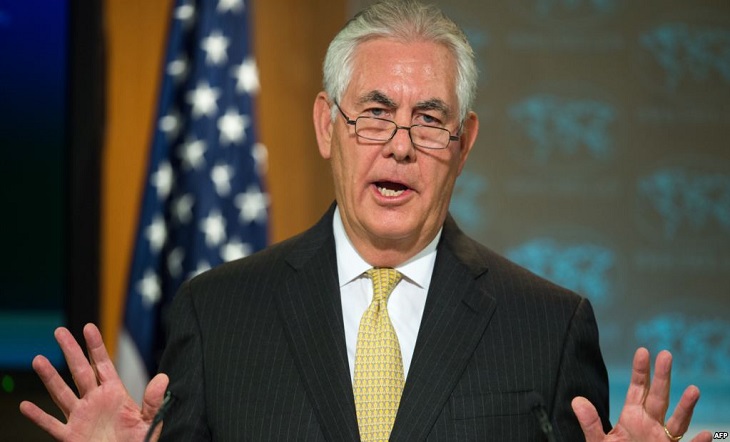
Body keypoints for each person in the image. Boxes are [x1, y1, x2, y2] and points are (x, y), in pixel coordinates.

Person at [21, 1, 712, 441]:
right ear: (328, 125)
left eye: (429, 120)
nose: (400, 146)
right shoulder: (218, 313)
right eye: (375, 114)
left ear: (464, 143)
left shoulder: (549, 328)